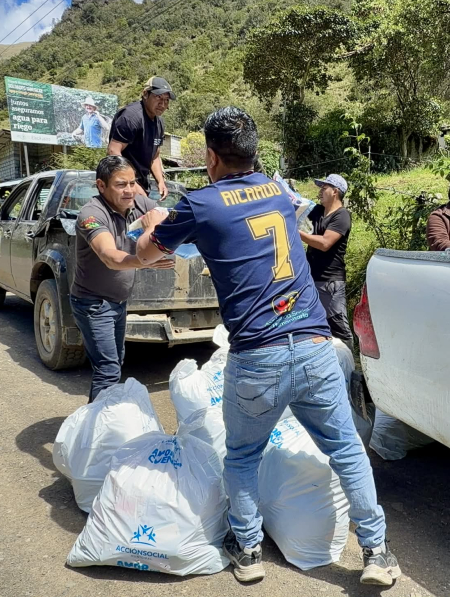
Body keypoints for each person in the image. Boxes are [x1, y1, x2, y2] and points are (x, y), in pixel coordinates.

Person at [136, 107, 401, 587]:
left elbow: (145, 253)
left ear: (211, 157)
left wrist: (155, 220)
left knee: (242, 456)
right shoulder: (279, 195)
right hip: (316, 346)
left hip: (259, 355)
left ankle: (250, 550)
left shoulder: (200, 204)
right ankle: (378, 553)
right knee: (345, 448)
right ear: (254, 153)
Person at [70, 156, 174, 402]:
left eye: (132, 183)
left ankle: (102, 423)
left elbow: (169, 217)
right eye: (120, 184)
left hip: (118, 302)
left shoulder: (137, 203)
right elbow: (109, 257)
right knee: (108, 371)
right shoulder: (91, 214)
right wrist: (145, 258)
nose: (129, 190)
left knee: (115, 363)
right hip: (92, 303)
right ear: (101, 185)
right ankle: (98, 434)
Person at [299, 173, 354, 351]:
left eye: (324, 187)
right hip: (311, 278)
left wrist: (296, 233)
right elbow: (300, 216)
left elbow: (324, 243)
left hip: (331, 281)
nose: (320, 191)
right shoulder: (317, 211)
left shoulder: (342, 216)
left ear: (335, 192)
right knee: (313, 325)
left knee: (338, 325)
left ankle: (351, 367)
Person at [107, 76, 175, 200]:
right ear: (145, 94)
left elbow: (154, 156)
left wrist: (160, 181)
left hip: (142, 185)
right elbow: (113, 151)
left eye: (166, 100)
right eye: (158, 97)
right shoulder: (131, 117)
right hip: (121, 188)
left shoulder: (159, 123)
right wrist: (132, 185)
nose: (162, 104)